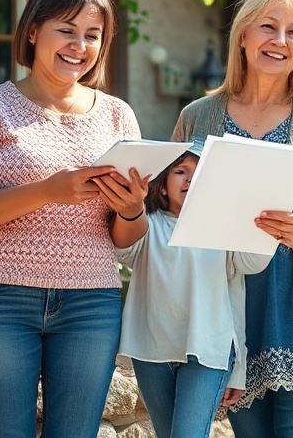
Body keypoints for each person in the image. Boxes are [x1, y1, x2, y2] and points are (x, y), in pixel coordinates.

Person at [0, 0, 148, 438]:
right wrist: (46, 191)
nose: (80, 45)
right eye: (67, 30)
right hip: (0, 300)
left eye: (93, 34)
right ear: (34, 30)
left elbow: (127, 238)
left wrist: (133, 208)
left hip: (90, 305)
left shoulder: (118, 116)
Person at [171, 0, 293, 438]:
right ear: (243, 34)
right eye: (268, 27)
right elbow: (168, 209)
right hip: (228, 301)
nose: (280, 41)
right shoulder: (197, 116)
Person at [109, 139, 272, 438]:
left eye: (199, 172)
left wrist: (240, 368)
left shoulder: (223, 228)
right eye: (180, 172)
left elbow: (253, 263)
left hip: (208, 353)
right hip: (151, 352)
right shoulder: (147, 225)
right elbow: (123, 248)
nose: (190, 179)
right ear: (161, 186)